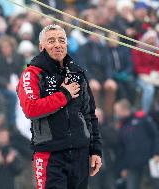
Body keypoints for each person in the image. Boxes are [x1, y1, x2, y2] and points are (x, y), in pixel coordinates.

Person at [17, 24, 102, 189]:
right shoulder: (32, 74)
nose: (57, 44)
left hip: (80, 152)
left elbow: (89, 114)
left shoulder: (77, 73)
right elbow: (30, 109)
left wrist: (95, 150)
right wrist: (64, 95)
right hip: (50, 155)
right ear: (41, 46)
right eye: (51, 41)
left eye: (61, 40)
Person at [114, 99, 159, 189]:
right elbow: (121, 149)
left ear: (125, 109)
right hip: (132, 164)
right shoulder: (121, 125)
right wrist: (123, 167)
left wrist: (157, 153)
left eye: (117, 111)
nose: (116, 114)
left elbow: (155, 135)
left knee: (158, 185)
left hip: (150, 159)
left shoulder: (142, 118)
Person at [132, 29, 159, 113]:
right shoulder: (137, 50)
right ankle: (145, 113)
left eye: (153, 39)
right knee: (149, 89)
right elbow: (137, 67)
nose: (152, 41)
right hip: (144, 76)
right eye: (150, 39)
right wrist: (149, 73)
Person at [0, 35, 24, 127]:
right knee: (12, 96)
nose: (6, 49)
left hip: (16, 84)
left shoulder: (17, 58)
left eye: (8, 47)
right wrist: (6, 84)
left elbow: (21, 71)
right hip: (0, 87)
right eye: (3, 47)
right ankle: (12, 123)